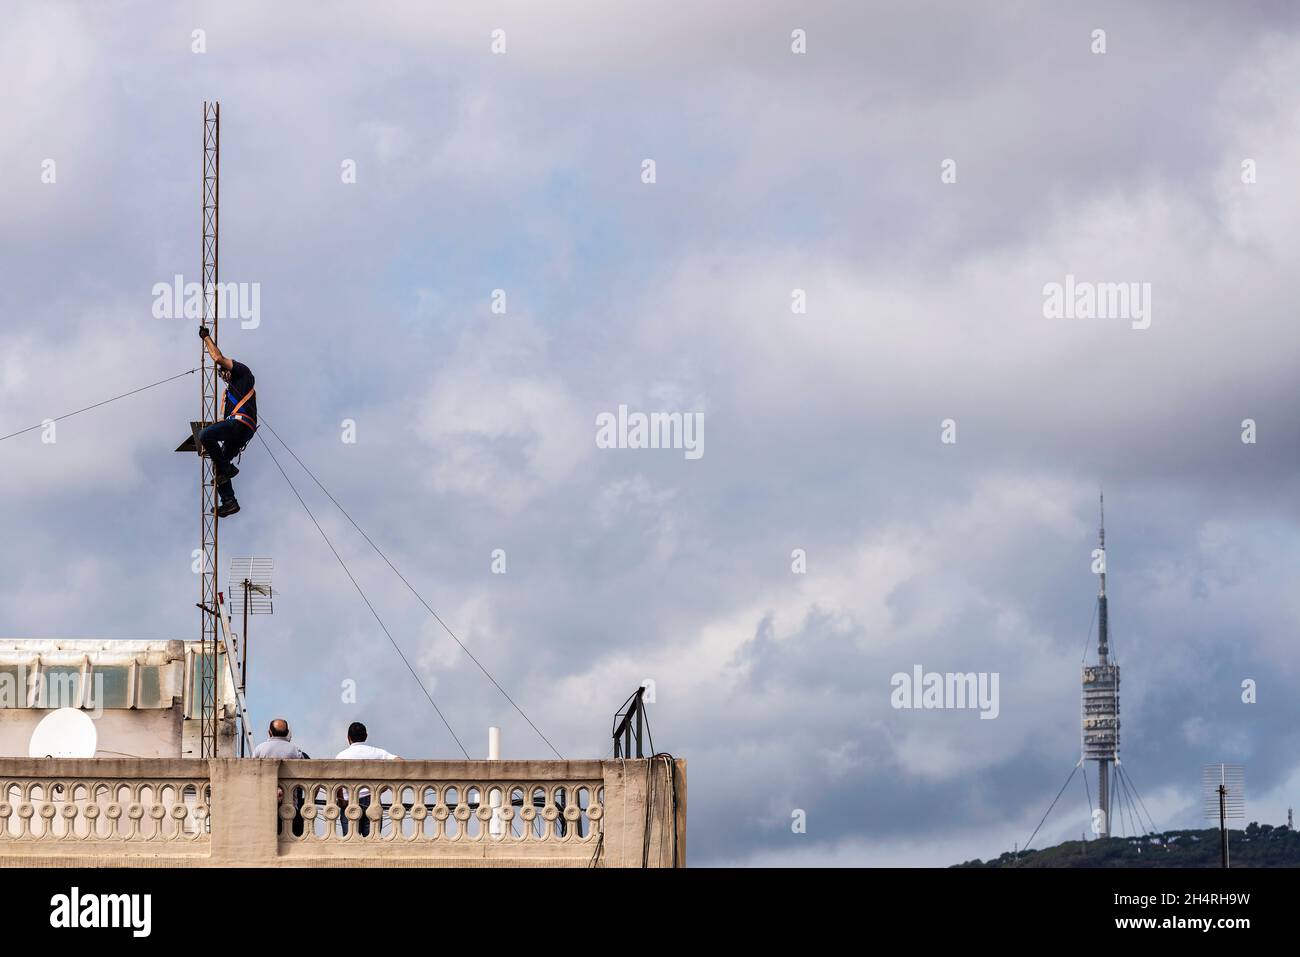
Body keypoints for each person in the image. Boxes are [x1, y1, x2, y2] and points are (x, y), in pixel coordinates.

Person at [197, 326, 257, 518]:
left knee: (205, 434)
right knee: (219, 464)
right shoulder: (228, 393)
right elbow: (224, 422)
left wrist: (206, 338)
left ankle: (228, 468)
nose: (223, 374)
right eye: (221, 374)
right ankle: (229, 501)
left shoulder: (243, 373)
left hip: (241, 424)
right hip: (238, 428)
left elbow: (217, 358)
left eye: (224, 371)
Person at [335, 721, 399, 837]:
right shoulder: (378, 752)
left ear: (348, 738)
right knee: (372, 843)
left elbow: (337, 783)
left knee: (350, 844)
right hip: (372, 800)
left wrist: (340, 799)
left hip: (349, 802)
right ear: (365, 736)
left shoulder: (341, 756)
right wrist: (386, 786)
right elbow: (400, 762)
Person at [252, 719, 308, 836]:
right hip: (290, 807)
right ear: (287, 732)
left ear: (269, 733)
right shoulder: (296, 751)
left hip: (265, 806)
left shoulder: (259, 750)